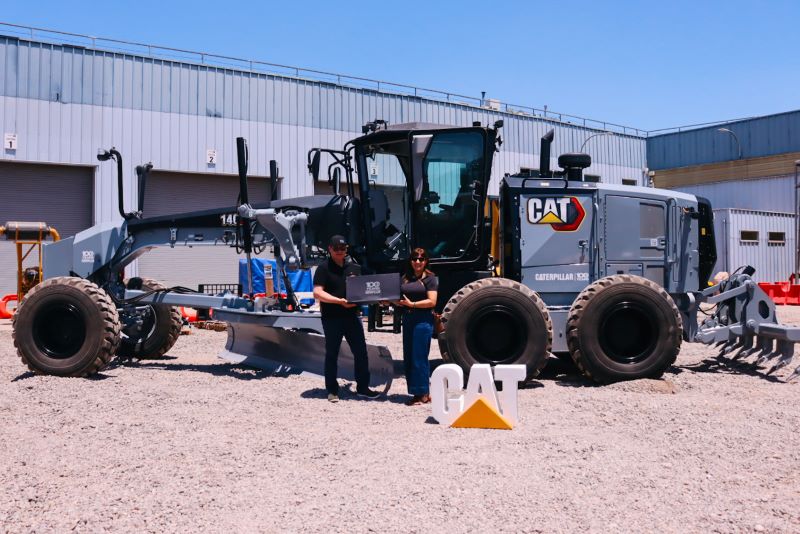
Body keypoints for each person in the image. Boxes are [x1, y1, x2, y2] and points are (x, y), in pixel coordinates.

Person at [312, 235, 381, 403]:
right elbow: (317, 292)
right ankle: (332, 390)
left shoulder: (355, 268)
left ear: (346, 249)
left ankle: (363, 388)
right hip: (332, 318)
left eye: (342, 249)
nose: (339, 252)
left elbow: (369, 288)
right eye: (336, 248)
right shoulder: (323, 268)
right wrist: (339, 302)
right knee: (332, 354)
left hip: (352, 317)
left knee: (361, 353)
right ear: (329, 249)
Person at [395, 248, 439, 406]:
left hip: (423, 319)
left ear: (426, 261)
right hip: (408, 318)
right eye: (415, 259)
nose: (418, 262)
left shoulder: (430, 279)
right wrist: (388, 301)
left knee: (419, 356)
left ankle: (423, 393)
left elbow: (432, 301)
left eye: (421, 259)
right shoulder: (405, 278)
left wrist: (412, 304)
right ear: (410, 261)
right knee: (409, 356)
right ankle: (416, 392)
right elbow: (398, 298)